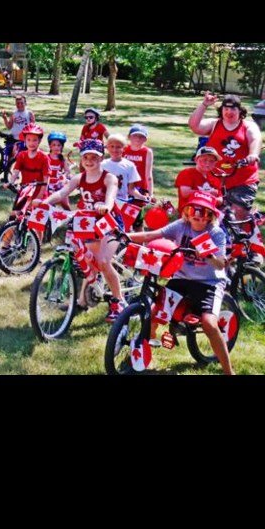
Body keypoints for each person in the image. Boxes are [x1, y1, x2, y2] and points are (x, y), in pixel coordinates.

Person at [126, 191, 233, 374]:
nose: (198, 216)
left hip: (209, 283)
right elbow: (150, 236)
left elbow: (221, 263)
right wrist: (123, 235)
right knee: (154, 309)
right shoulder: (181, 226)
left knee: (209, 323)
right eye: (194, 210)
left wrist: (209, 256)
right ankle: (147, 342)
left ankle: (228, 371)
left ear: (211, 216)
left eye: (205, 212)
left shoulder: (216, 233)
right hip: (181, 278)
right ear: (187, 212)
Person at [36, 139, 123, 316]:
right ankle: (83, 301)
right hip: (89, 223)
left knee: (104, 262)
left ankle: (118, 301)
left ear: (101, 158)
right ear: (81, 159)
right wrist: (45, 203)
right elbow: (62, 193)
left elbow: (111, 195)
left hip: (109, 224)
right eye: (86, 157)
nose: (90, 161)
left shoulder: (109, 178)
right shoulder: (79, 178)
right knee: (89, 260)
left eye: (94, 157)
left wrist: (106, 205)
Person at [189, 92, 261, 221]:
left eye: (233, 108)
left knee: (237, 216)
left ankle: (246, 229)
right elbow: (194, 126)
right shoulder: (215, 124)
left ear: (240, 110)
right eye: (226, 109)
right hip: (216, 179)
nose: (229, 112)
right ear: (221, 110)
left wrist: (253, 155)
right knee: (210, 215)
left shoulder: (249, 126)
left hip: (243, 180)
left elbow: (255, 140)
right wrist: (204, 105)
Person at [175, 146, 224, 212]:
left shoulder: (215, 177)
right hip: (189, 213)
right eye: (204, 160)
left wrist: (205, 196)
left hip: (209, 214)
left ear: (215, 163)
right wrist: (208, 194)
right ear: (196, 160)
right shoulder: (187, 173)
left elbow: (220, 200)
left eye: (211, 161)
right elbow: (185, 193)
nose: (207, 164)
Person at [1, 95, 34, 159]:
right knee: (10, 158)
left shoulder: (29, 114)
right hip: (14, 138)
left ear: (25, 103)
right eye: (17, 103)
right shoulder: (13, 114)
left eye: (22, 103)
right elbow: (9, 126)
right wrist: (5, 118)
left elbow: (33, 127)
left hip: (25, 140)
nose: (19, 105)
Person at [123, 125, 153, 196]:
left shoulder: (147, 152)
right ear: (129, 137)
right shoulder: (123, 149)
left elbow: (148, 175)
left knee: (139, 206)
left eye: (141, 136)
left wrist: (150, 193)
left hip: (140, 187)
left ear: (145, 139)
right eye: (135, 135)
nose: (138, 138)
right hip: (123, 185)